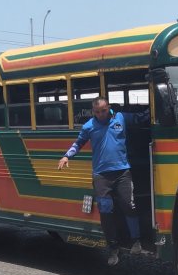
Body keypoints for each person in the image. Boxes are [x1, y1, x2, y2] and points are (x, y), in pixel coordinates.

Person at [58, 97, 149, 266]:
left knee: (129, 205)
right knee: (106, 210)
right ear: (93, 112)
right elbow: (78, 144)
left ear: (109, 108)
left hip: (122, 171)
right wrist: (66, 156)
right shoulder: (89, 126)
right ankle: (113, 247)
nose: (101, 114)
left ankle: (136, 240)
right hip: (101, 175)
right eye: (97, 112)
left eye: (104, 111)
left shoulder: (121, 118)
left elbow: (141, 118)